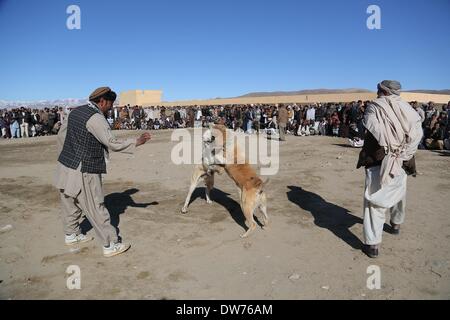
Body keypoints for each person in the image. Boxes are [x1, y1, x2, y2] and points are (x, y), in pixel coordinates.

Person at [54, 87, 151, 258]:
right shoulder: (96, 118)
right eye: (110, 105)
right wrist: (136, 142)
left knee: (70, 201)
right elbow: (112, 143)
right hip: (84, 169)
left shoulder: (76, 112)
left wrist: (67, 155)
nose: (110, 109)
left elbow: (62, 135)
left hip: (66, 164)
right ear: (103, 101)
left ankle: (71, 235)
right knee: (96, 207)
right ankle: (110, 244)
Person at [357, 80, 422, 258]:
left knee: (374, 201)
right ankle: (396, 224)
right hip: (403, 159)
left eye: (378, 90)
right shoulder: (409, 109)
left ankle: (373, 245)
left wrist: (391, 151)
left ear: (382, 91)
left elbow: (375, 130)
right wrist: (403, 155)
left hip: (380, 158)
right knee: (398, 192)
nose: (376, 93)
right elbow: (417, 135)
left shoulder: (374, 107)